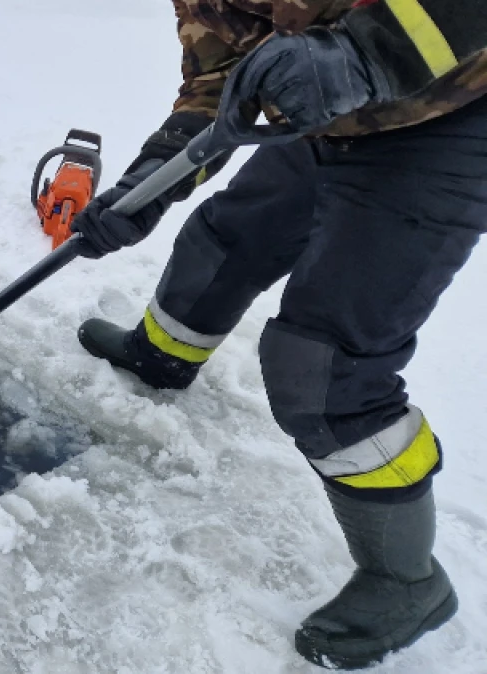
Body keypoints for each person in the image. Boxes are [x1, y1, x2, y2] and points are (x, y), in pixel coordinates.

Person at [69, 1, 486, 669]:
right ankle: (161, 358)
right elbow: (219, 77)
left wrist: (366, 52)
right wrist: (149, 180)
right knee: (225, 238)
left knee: (322, 367)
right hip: (332, 111)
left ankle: (406, 580)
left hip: (451, 119)